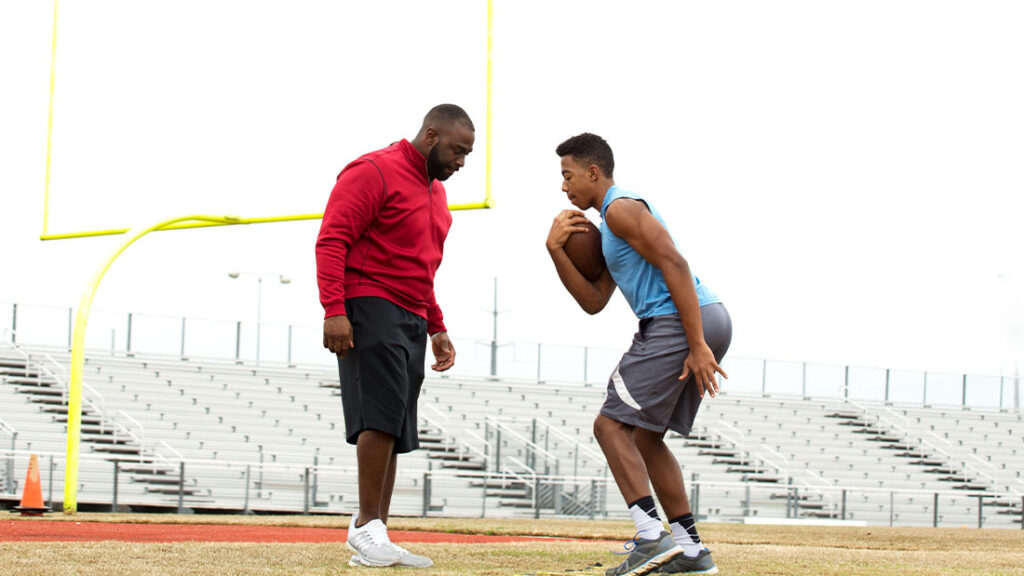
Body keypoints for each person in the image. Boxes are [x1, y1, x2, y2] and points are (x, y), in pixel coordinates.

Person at [546, 133, 731, 576]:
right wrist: (554, 249)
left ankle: (650, 537)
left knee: (609, 425)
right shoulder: (612, 227)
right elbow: (594, 301)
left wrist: (697, 344)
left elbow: (675, 263)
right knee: (646, 438)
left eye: (568, 176)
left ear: (593, 172)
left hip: (680, 321)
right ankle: (691, 552)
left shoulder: (620, 209)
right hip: (701, 318)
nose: (563, 186)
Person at [316, 104, 474, 569]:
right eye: (457, 150)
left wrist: (436, 324)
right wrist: (334, 309)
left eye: (467, 154)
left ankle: (375, 531)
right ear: (431, 135)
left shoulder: (437, 193)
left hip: (411, 314)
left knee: (397, 426)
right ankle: (366, 526)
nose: (461, 162)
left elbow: (422, 268)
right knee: (380, 417)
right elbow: (332, 240)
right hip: (370, 303)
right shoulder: (374, 170)